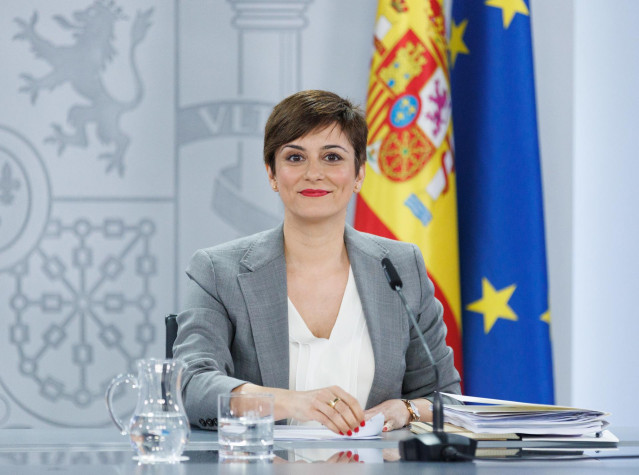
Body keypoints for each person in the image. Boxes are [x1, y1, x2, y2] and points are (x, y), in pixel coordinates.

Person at [173, 90, 461, 436]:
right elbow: (190, 386)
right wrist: (291, 402)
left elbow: (445, 398)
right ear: (272, 174)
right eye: (295, 158)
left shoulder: (401, 266)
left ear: (358, 175)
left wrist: (405, 409)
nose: (313, 173)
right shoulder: (219, 271)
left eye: (332, 157)